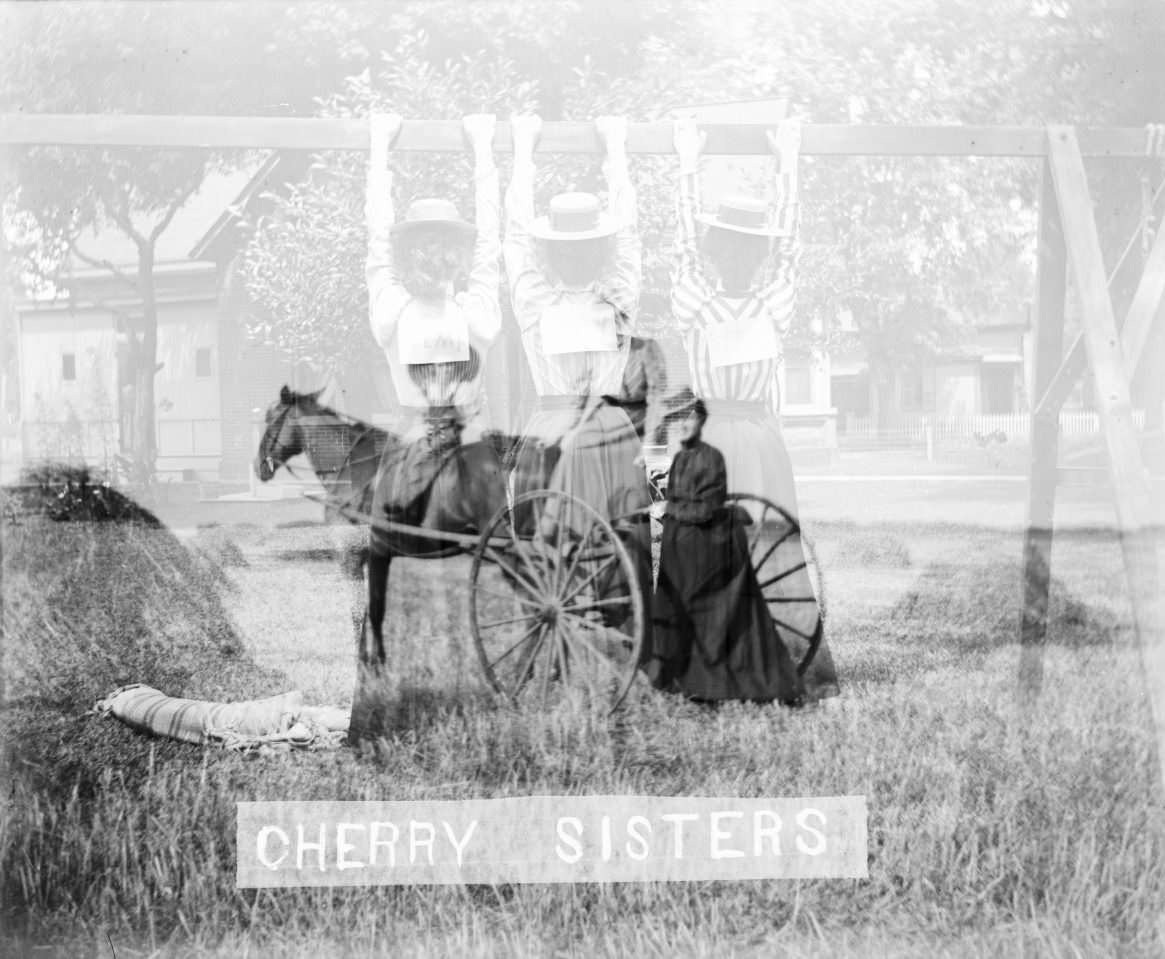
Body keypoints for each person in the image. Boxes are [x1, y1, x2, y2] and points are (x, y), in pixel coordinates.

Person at [669, 113, 840, 700]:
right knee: (706, 553)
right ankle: (710, 670)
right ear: (716, 251)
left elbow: (792, 242)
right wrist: (688, 162)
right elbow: (682, 239)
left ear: (760, 255)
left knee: (769, 546)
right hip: (711, 441)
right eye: (729, 247)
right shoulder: (695, 298)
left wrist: (787, 158)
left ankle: (776, 660)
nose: (740, 258)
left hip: (761, 441)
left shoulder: (774, 300)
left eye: (751, 249)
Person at [364, 112, 502, 527]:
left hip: (423, 447)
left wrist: (378, 147)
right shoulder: (475, 312)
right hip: (459, 446)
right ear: (459, 254)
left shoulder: (393, 309)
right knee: (477, 566)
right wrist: (483, 150)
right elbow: (489, 244)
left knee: (417, 566)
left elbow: (377, 238)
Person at [647, 400, 804, 705]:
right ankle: (670, 662)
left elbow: (706, 509)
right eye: (679, 421)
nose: (683, 425)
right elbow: (674, 504)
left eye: (689, 420)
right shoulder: (679, 458)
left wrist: (669, 508)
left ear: (701, 423)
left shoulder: (712, 458)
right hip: (683, 536)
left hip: (710, 541)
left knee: (690, 582)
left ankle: (711, 678)